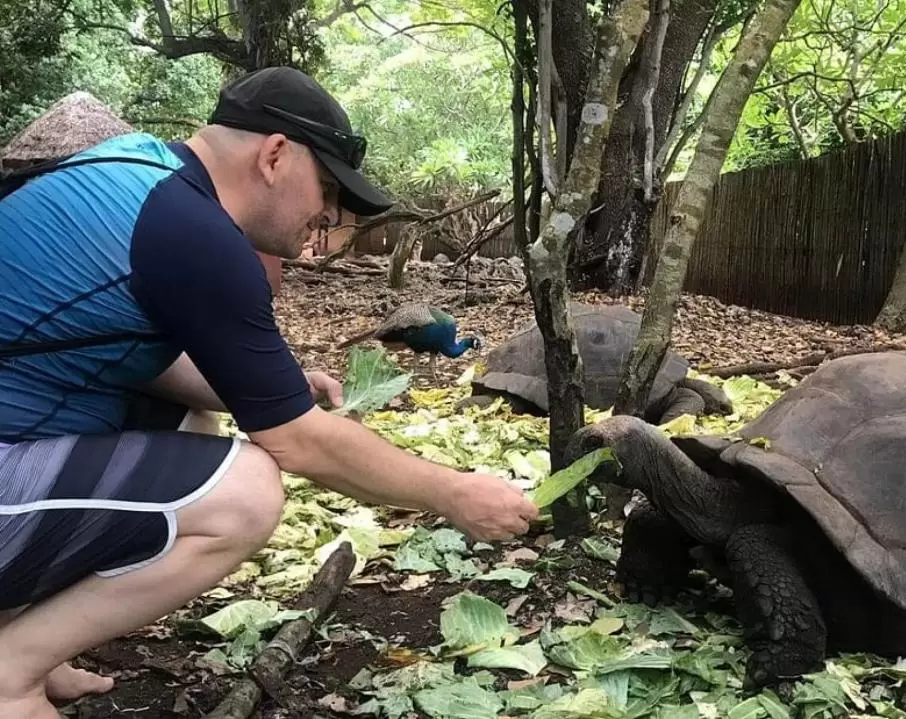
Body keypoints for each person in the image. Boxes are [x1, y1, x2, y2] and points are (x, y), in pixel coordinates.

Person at [0, 66, 538, 718]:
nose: (326, 219)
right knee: (246, 493)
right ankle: (10, 673)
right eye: (330, 192)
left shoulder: (139, 171)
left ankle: (30, 642)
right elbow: (298, 444)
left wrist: (264, 390)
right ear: (276, 154)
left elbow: (122, 357)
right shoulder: (195, 234)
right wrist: (455, 492)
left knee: (193, 422)